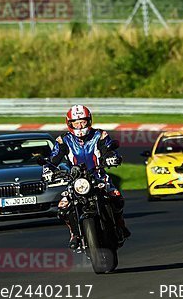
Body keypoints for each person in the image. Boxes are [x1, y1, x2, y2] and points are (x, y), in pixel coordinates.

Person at [49, 104, 130, 250]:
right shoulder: (63, 140)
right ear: (70, 123)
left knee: (116, 197)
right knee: (63, 208)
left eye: (83, 121)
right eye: (76, 122)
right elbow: (54, 158)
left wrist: (112, 157)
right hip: (76, 181)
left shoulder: (100, 135)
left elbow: (108, 149)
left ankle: (120, 225)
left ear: (89, 121)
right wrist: (48, 169)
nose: (80, 125)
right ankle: (75, 234)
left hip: (98, 176)